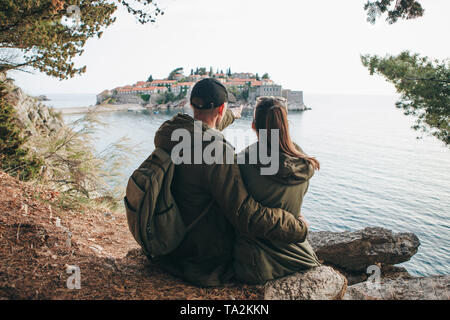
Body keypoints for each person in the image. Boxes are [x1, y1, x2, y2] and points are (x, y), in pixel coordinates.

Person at [152, 78, 308, 287]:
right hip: (202, 260)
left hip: (170, 243)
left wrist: (231, 118)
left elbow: (203, 131)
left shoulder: (173, 136)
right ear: (222, 108)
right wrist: (297, 228)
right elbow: (243, 212)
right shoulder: (219, 153)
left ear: (191, 104)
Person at [234, 96, 321, 285]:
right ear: (285, 125)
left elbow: (239, 212)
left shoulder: (241, 162)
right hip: (301, 255)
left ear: (253, 126)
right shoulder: (305, 163)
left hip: (257, 264)